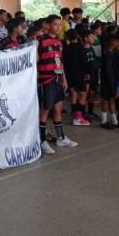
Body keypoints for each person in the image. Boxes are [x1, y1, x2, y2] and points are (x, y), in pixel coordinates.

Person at [37, 14, 78, 155]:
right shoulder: (40, 42)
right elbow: (34, 62)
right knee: (45, 110)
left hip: (57, 80)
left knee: (58, 108)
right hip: (45, 80)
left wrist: (64, 79)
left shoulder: (59, 42)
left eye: (60, 25)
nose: (58, 27)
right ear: (47, 25)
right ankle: (42, 141)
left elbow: (60, 62)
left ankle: (60, 138)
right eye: (55, 24)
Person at [63, 29, 90, 126]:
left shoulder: (66, 48)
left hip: (69, 74)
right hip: (79, 74)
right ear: (77, 36)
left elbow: (64, 63)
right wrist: (87, 72)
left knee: (73, 95)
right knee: (83, 95)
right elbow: (84, 61)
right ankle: (78, 117)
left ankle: (74, 116)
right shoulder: (80, 47)